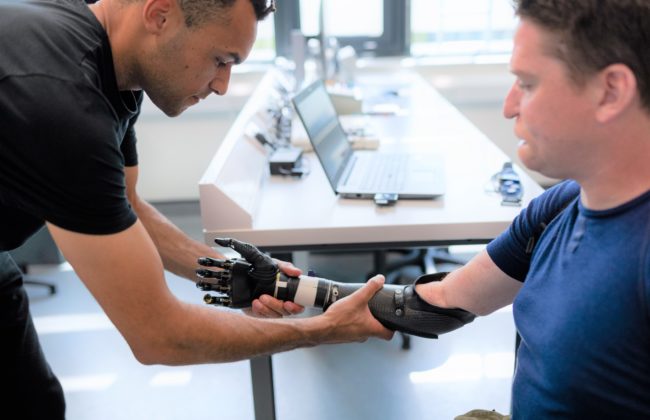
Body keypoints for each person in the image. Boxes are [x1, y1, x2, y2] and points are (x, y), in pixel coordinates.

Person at [0, 0, 392, 417]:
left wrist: (235, 276)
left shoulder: (109, 63)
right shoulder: (62, 102)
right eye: (221, 60)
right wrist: (322, 330)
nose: (222, 85)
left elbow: (127, 205)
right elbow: (158, 335)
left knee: (33, 402)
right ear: (160, 15)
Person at [413, 0, 650, 417]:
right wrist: (291, 287)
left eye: (526, 83)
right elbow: (445, 299)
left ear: (611, 91)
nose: (508, 107)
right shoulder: (563, 204)